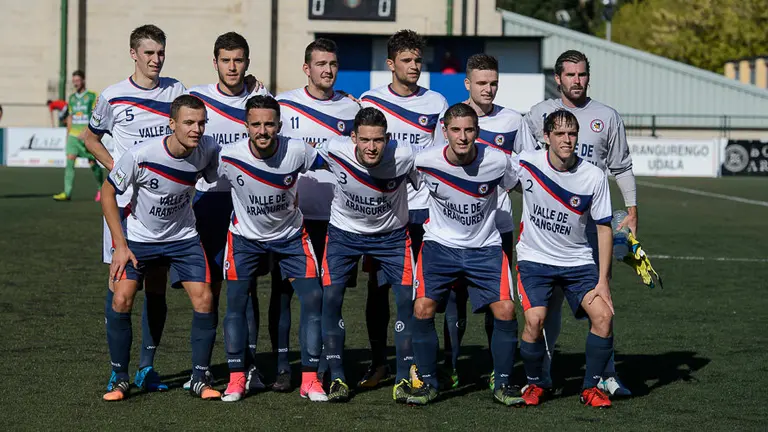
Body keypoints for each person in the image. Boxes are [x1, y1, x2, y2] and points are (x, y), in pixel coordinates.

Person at [522, 50, 635, 396]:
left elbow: (622, 167)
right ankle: (543, 370)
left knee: (602, 301)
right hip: (550, 231)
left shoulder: (607, 116)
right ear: (557, 78)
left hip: (592, 225)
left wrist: (632, 211)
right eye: (570, 74)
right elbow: (524, 166)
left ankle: (605, 376)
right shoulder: (538, 114)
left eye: (582, 74)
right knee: (547, 306)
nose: (577, 80)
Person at [86, 24, 186, 393]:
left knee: (156, 286)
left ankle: (147, 368)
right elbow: (90, 138)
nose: (156, 59)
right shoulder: (112, 96)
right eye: (149, 53)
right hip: (124, 209)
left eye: (160, 53)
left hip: (162, 210)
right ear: (133, 54)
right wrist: (118, 168)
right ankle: (119, 372)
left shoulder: (176, 91)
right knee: (121, 289)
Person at [101, 95, 220, 401]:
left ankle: (199, 377)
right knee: (122, 299)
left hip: (183, 238)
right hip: (139, 239)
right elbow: (107, 192)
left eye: (201, 123)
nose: (196, 129)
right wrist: (120, 245)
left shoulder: (208, 150)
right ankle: (120, 378)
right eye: (189, 123)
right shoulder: (141, 155)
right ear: (171, 124)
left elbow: (220, 174)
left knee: (205, 299)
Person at [407, 103, 521, 407]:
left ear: (477, 132)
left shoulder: (497, 161)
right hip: (439, 246)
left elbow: (522, 186)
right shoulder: (425, 160)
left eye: (469, 130)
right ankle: (428, 383)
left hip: (485, 247)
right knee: (422, 308)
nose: (462, 136)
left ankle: (503, 383)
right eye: (456, 130)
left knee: (506, 310)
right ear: (444, 131)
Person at [217, 95, 327, 402]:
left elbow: (332, 162)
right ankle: (237, 379)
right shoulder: (228, 156)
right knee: (236, 302)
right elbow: (197, 175)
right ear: (246, 125)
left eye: (269, 124)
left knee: (314, 297)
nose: (263, 131)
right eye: (256, 124)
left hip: (291, 237)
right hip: (244, 239)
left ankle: (310, 380)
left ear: (279, 125)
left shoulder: (297, 150)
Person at [359, 29, 448, 387]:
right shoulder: (370, 100)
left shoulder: (436, 102)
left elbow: (441, 157)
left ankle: (418, 362)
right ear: (390, 63)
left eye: (418, 60)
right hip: (383, 212)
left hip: (424, 210)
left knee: (420, 289)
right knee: (378, 287)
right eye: (406, 60)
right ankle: (379, 361)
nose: (414, 66)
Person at [271, 38, 360, 391]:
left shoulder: (352, 109)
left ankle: (323, 365)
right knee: (283, 293)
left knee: (330, 295)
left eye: (333, 64)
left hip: (339, 219)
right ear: (306, 68)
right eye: (321, 64)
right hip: (291, 219)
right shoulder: (284, 105)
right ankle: (282, 365)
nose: (328, 70)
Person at [185, 31, 270, 393]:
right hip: (208, 203)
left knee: (245, 288)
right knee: (208, 289)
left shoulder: (261, 99)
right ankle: (202, 369)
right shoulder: (198, 97)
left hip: (247, 204)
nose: (232, 67)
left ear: (247, 62)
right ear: (215, 62)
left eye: (239, 60)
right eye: (226, 60)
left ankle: (249, 367)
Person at [514, 109, 615, 408]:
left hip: (577, 262)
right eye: (559, 133)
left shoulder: (594, 176)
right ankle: (536, 383)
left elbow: (604, 228)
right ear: (546, 137)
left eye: (572, 133)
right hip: (534, 259)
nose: (567, 139)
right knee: (535, 320)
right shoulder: (526, 163)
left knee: (604, 317)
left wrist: (603, 280)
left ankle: (591, 388)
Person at [435, 53, 525, 389]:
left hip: (497, 226)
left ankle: (495, 367)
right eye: (482, 83)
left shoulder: (513, 120)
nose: (488, 89)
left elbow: (523, 170)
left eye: (493, 83)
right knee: (454, 300)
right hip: (455, 229)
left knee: (497, 301)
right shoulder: (451, 119)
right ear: (467, 83)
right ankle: (450, 366)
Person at [317, 107, 418, 403]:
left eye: (378, 140)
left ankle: (403, 378)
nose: (371, 147)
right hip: (343, 234)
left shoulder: (405, 156)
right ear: (353, 138)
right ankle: (336, 376)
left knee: (406, 302)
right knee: (331, 298)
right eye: (364, 140)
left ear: (387, 138)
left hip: (391, 238)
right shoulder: (334, 150)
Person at [53, 70, 104, 202]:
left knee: (92, 163)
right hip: (73, 136)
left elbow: (96, 115)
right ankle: (67, 192)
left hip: (86, 136)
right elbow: (70, 117)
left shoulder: (91, 96)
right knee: (70, 160)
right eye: (74, 81)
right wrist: (68, 134)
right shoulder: (71, 98)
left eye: (78, 80)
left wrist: (88, 131)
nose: (75, 83)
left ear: (83, 80)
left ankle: (101, 189)